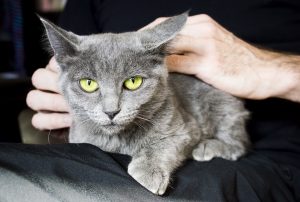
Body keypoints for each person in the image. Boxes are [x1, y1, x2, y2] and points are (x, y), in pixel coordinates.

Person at [1, 0, 300, 201]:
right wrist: (63, 96)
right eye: (90, 84)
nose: (111, 107)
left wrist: (270, 68)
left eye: (131, 82)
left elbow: (187, 131)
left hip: (265, 164)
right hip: (100, 157)